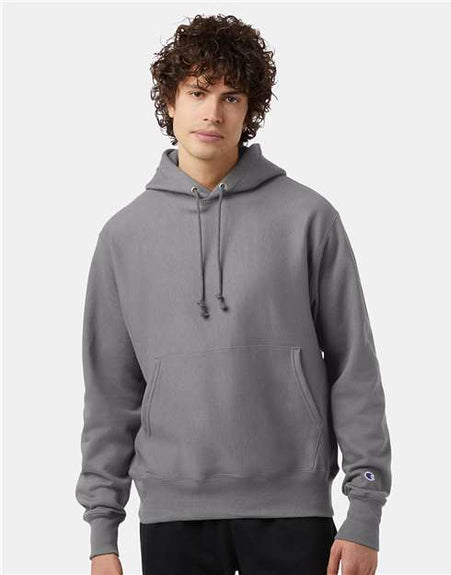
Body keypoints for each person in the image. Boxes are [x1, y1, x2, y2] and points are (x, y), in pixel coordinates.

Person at [75, 13, 392, 575]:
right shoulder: (123, 237)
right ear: (170, 102)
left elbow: (354, 368)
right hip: (172, 517)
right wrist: (103, 533)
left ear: (249, 111)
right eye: (198, 92)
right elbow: (110, 393)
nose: (213, 113)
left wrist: (364, 509)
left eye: (231, 97)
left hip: (293, 511)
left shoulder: (308, 218)